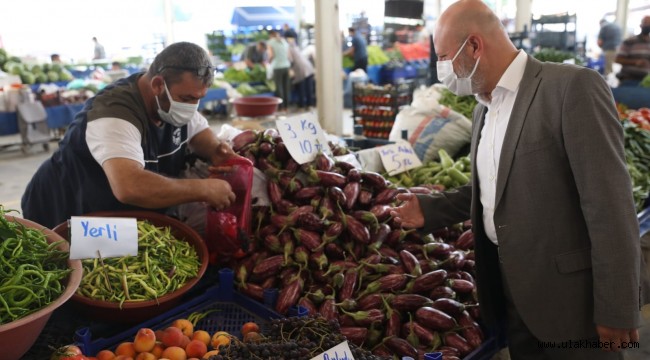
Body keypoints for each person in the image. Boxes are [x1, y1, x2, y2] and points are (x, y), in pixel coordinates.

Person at [390, 1, 648, 359]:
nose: (441, 71)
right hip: (515, 296)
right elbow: (496, 188)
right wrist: (430, 209)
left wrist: (617, 307)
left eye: (445, 57)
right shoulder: (484, 107)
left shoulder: (571, 89)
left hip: (572, 305)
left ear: (475, 46)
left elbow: (611, 206)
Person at [21, 42, 242, 230]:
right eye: (187, 98)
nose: (192, 106)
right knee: (73, 272)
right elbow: (130, 186)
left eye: (198, 98)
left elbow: (199, 134)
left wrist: (216, 150)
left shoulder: (172, 102)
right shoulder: (114, 115)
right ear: (157, 84)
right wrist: (202, 189)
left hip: (109, 217)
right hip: (64, 209)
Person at [615, 16, 650, 86]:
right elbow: (618, 59)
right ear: (641, 25)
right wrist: (635, 62)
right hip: (629, 78)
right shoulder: (630, 41)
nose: (648, 25)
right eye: (645, 23)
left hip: (646, 81)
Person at [286, 36, 315, 109]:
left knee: (301, 88)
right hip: (308, 67)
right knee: (308, 88)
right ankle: (309, 104)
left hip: (300, 70)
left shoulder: (289, 49)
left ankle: (302, 105)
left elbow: (290, 60)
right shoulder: (296, 47)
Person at [267, 30, 292, 112]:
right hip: (286, 66)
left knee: (279, 88)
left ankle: (281, 107)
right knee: (286, 87)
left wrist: (268, 62)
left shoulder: (270, 42)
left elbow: (271, 55)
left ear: (271, 35)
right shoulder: (284, 41)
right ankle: (286, 107)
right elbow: (288, 55)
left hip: (277, 67)